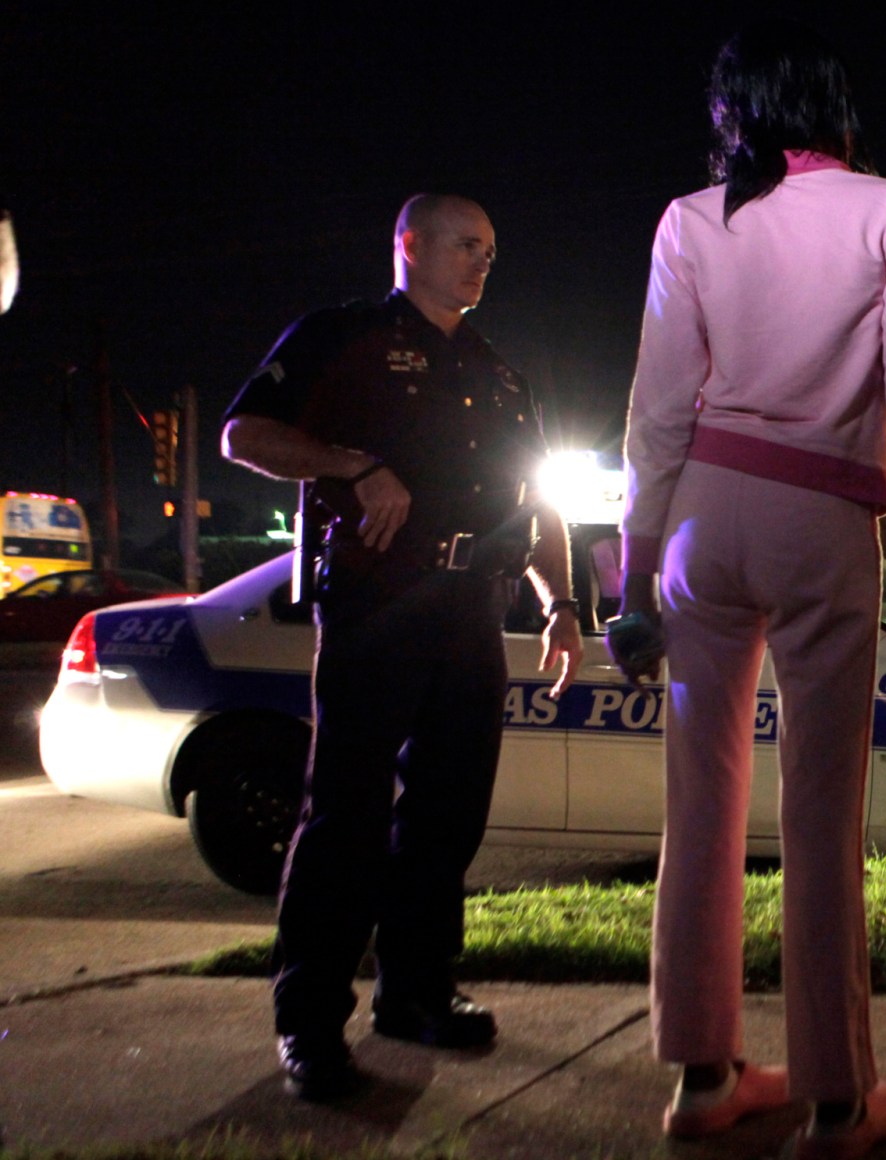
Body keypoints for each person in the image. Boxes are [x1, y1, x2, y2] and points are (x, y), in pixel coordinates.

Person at [616, 23, 886, 1160]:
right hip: (823, 519)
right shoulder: (885, 208)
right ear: (830, 102)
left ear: (735, 114)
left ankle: (701, 1075)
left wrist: (632, 566)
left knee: (699, 807)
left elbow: (657, 407)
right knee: (820, 816)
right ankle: (833, 1097)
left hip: (699, 521)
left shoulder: (691, 219)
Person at [221, 193, 583, 1101]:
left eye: (492, 252)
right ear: (409, 244)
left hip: (471, 611)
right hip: (377, 605)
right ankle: (309, 1022)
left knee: (447, 816)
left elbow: (538, 502)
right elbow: (243, 434)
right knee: (344, 815)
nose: (481, 263)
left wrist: (563, 602)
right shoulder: (341, 336)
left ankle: (415, 994)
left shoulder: (501, 374)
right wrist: (354, 464)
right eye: (466, 245)